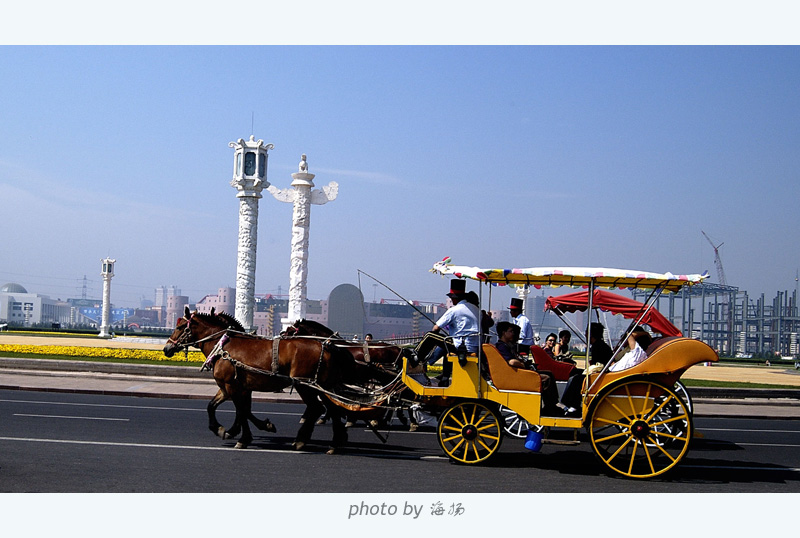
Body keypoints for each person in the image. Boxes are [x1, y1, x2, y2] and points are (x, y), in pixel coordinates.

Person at [417, 279, 480, 385]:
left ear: (454, 299)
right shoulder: (475, 309)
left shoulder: (454, 310)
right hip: (474, 345)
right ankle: (445, 377)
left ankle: (416, 357)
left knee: (430, 335)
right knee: (445, 347)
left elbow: (436, 328)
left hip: (461, 347)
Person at [494, 321, 560, 415]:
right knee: (546, 378)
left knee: (549, 373)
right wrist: (523, 365)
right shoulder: (502, 346)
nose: (513, 333)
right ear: (504, 333)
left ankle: (553, 404)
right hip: (514, 376)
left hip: (515, 372)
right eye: (510, 331)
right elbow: (511, 361)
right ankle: (549, 406)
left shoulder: (507, 346)